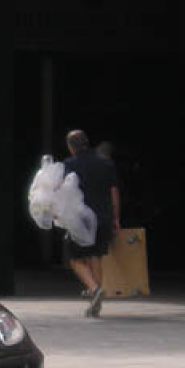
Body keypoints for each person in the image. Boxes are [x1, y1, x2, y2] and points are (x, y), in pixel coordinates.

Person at [62, 129, 120, 317]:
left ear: (71, 147)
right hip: (103, 216)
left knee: (75, 258)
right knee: (96, 255)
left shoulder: (69, 164)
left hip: (81, 219)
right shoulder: (105, 163)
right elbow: (113, 192)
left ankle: (95, 289)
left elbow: (65, 191)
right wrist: (116, 218)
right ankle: (96, 300)